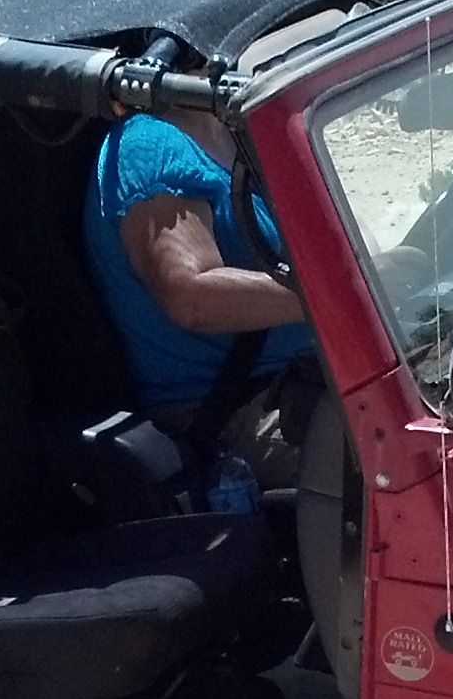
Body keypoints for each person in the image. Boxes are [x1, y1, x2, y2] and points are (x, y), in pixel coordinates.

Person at [82, 105, 319, 489]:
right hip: (230, 408)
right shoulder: (148, 144)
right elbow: (191, 296)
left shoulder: (237, 127)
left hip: (306, 374)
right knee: (398, 465)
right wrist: (334, 297)